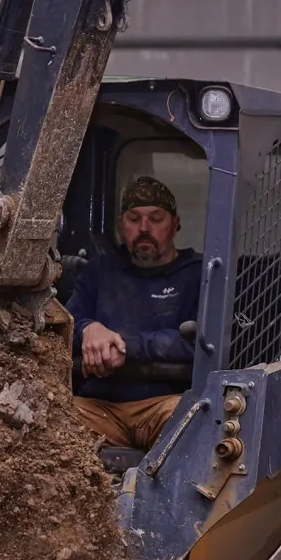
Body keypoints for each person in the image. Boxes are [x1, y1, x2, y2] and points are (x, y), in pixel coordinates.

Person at [65, 175, 202, 450]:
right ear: (120, 225)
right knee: (49, 422)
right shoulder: (100, 271)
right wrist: (87, 329)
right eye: (134, 218)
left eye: (156, 218)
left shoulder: (199, 274)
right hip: (99, 408)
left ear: (175, 224)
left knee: (193, 425)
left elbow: (200, 341)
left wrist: (126, 347)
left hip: (164, 405)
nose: (144, 228)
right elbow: (64, 325)